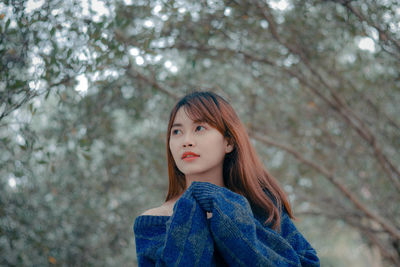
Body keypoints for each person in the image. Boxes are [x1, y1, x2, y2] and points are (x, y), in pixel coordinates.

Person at [133, 91, 320, 266]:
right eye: (177, 132)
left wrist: (222, 205)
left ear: (229, 142)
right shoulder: (152, 223)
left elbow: (308, 262)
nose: (186, 141)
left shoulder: (264, 207)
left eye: (199, 128)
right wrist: (193, 204)